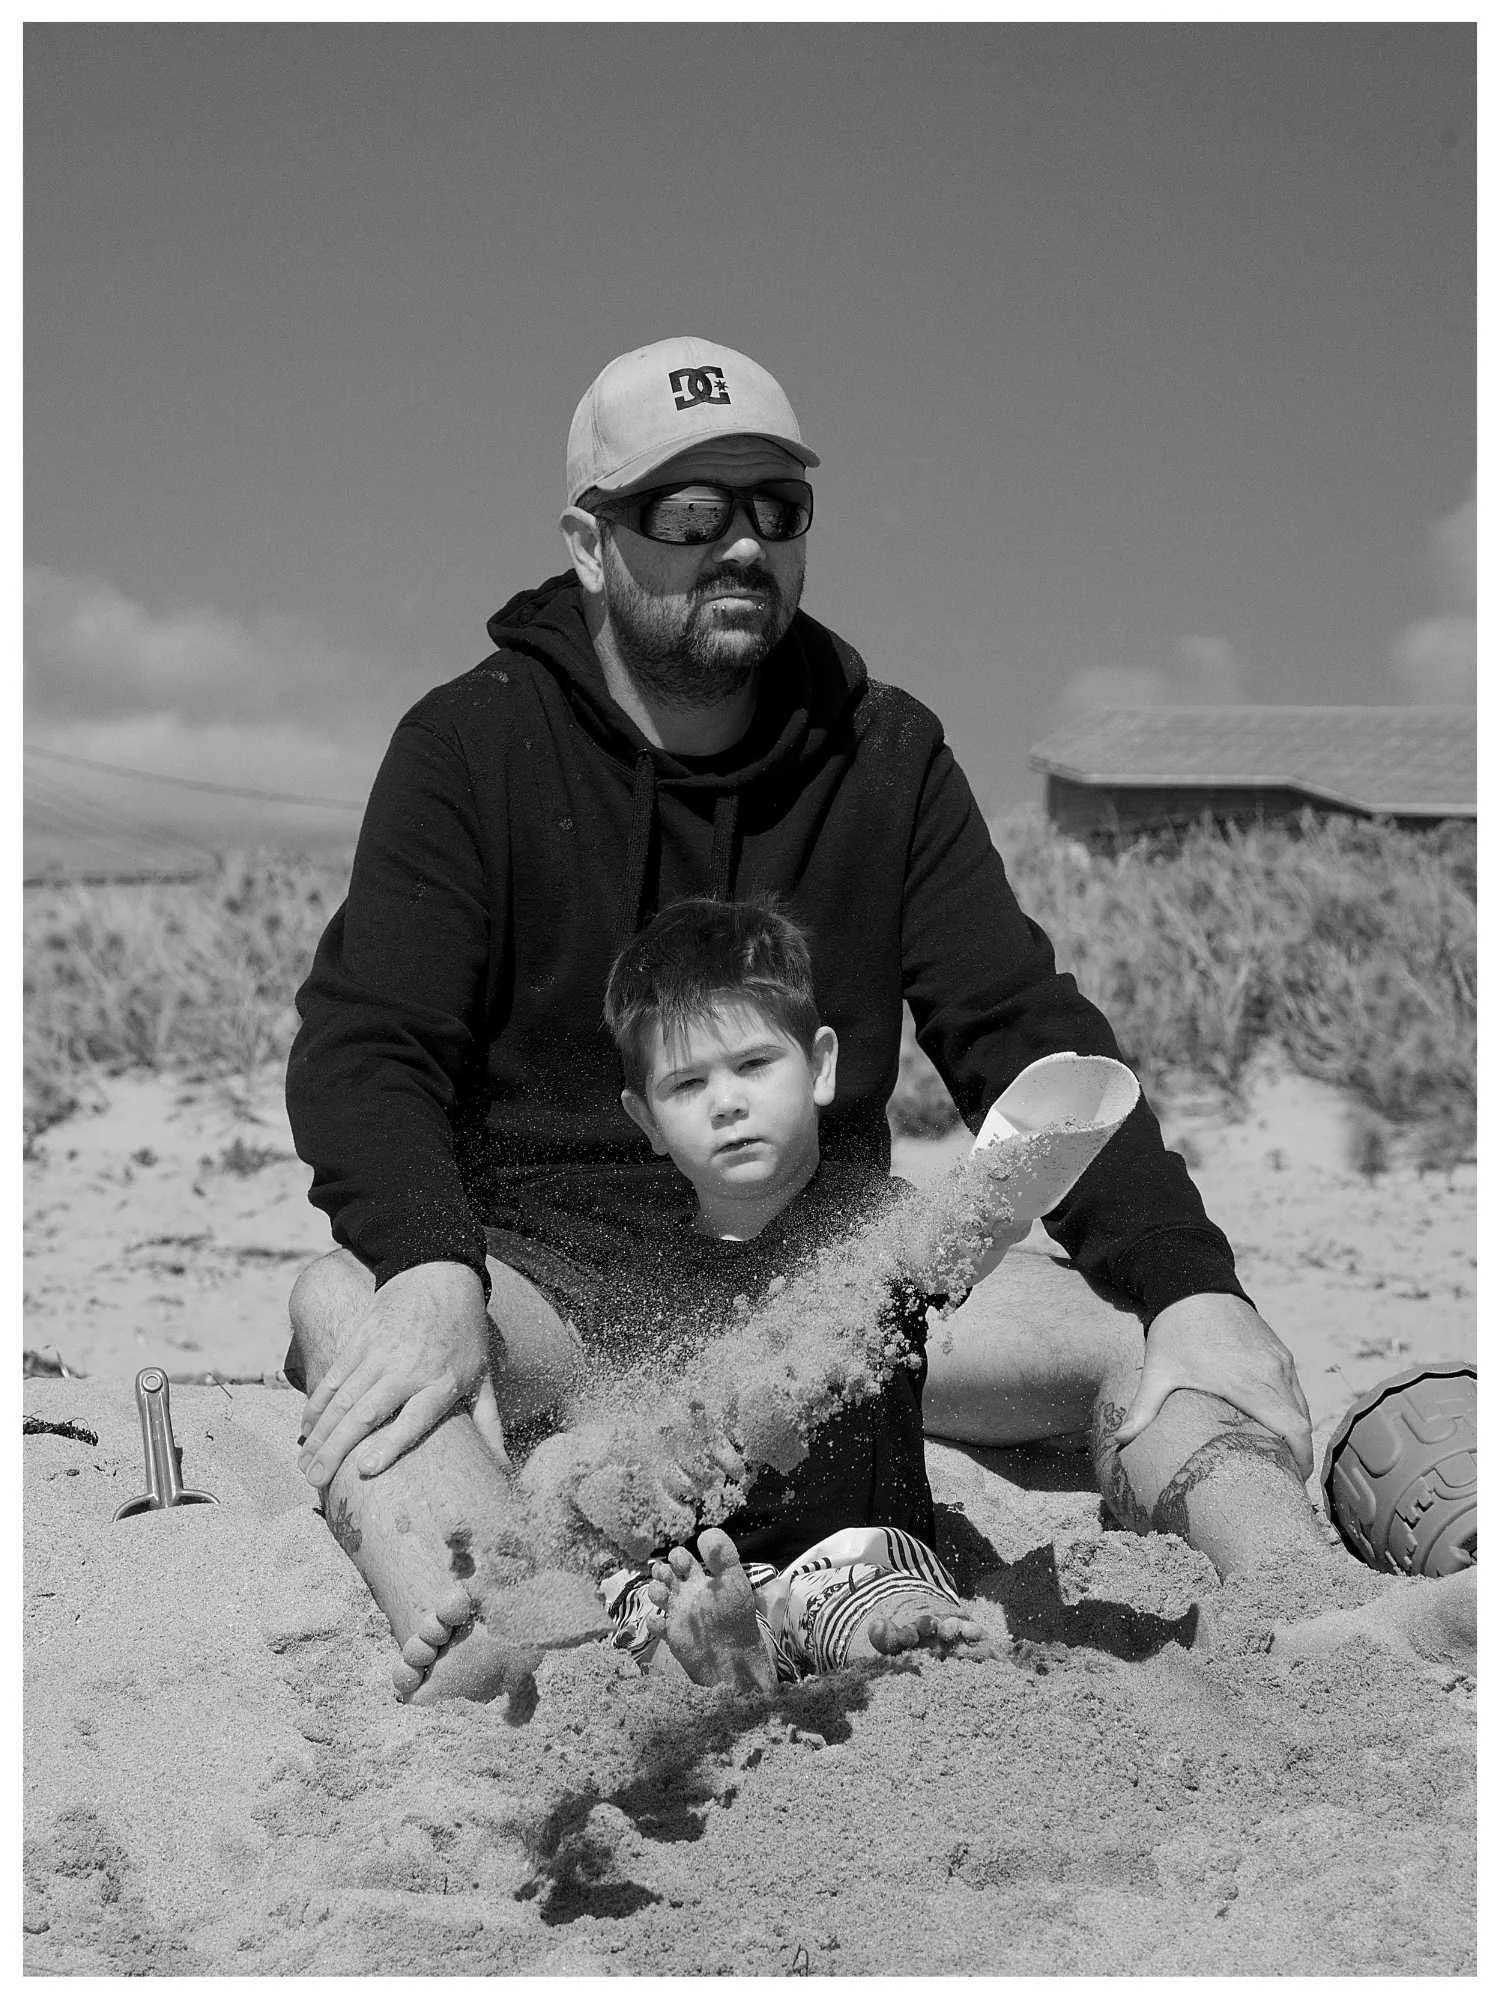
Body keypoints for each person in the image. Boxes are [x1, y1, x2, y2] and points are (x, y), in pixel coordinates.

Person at [284, 334, 1471, 1700]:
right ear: (591, 541)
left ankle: (1298, 1600)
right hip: (555, 1297)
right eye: (689, 514)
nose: (741, 546)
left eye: (775, 510)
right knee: (345, 1297)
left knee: (1138, 1330)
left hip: (832, 1301)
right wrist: (432, 1265)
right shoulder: (472, 747)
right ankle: (511, 1646)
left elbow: (1018, 1022)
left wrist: (1192, 1281)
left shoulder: (884, 751)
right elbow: (365, 1045)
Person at [593, 894, 995, 1690]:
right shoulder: (642, 1282)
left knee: (879, 1596)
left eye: (753, 1064)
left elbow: (957, 1247)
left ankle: (879, 1642)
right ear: (646, 1118)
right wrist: (640, 1476)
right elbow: (616, 1448)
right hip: (710, 1573)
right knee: (623, 1591)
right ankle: (723, 1654)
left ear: (818, 1066)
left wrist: (1001, 1192)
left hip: (849, 1552)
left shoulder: (874, 1220)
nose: (727, 1101)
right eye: (687, 1085)